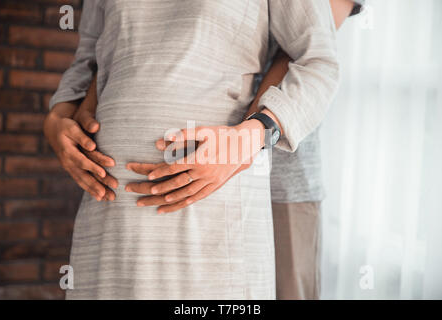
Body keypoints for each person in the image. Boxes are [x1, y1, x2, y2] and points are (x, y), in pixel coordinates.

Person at [44, 0, 339, 299]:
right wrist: (58, 115)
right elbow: (88, 59)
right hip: (108, 214)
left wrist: (257, 133)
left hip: (213, 207)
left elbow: (319, 62)